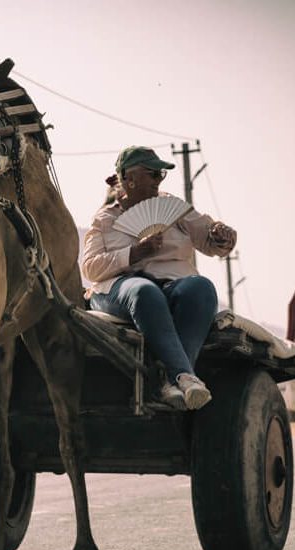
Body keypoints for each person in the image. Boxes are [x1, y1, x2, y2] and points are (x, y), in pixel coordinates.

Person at [81, 146, 237, 410]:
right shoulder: (105, 219)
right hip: (119, 288)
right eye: (153, 174)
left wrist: (224, 236)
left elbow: (211, 241)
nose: (159, 180)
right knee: (145, 292)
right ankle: (184, 375)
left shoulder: (174, 208)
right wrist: (135, 252)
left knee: (201, 288)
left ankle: (169, 381)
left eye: (161, 175)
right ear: (129, 179)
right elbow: (90, 268)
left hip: (172, 283)